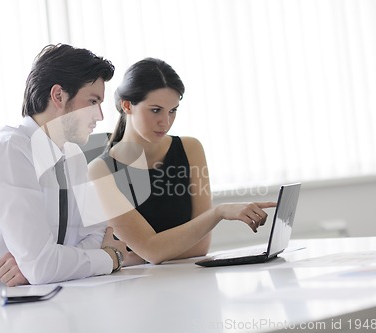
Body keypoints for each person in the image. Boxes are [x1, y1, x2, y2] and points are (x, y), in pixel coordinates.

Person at [0, 44, 127, 294]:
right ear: (58, 95)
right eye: (92, 101)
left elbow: (94, 235)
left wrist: (43, 264)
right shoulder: (9, 152)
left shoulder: (74, 157)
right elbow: (44, 266)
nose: (100, 115)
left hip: (44, 298)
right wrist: (111, 258)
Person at [87, 58, 277, 265]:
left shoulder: (190, 149)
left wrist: (139, 255)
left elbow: (200, 247)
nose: (165, 122)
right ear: (127, 105)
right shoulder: (100, 171)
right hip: (135, 287)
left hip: (186, 280)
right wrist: (218, 213)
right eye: (155, 110)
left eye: (173, 110)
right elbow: (153, 251)